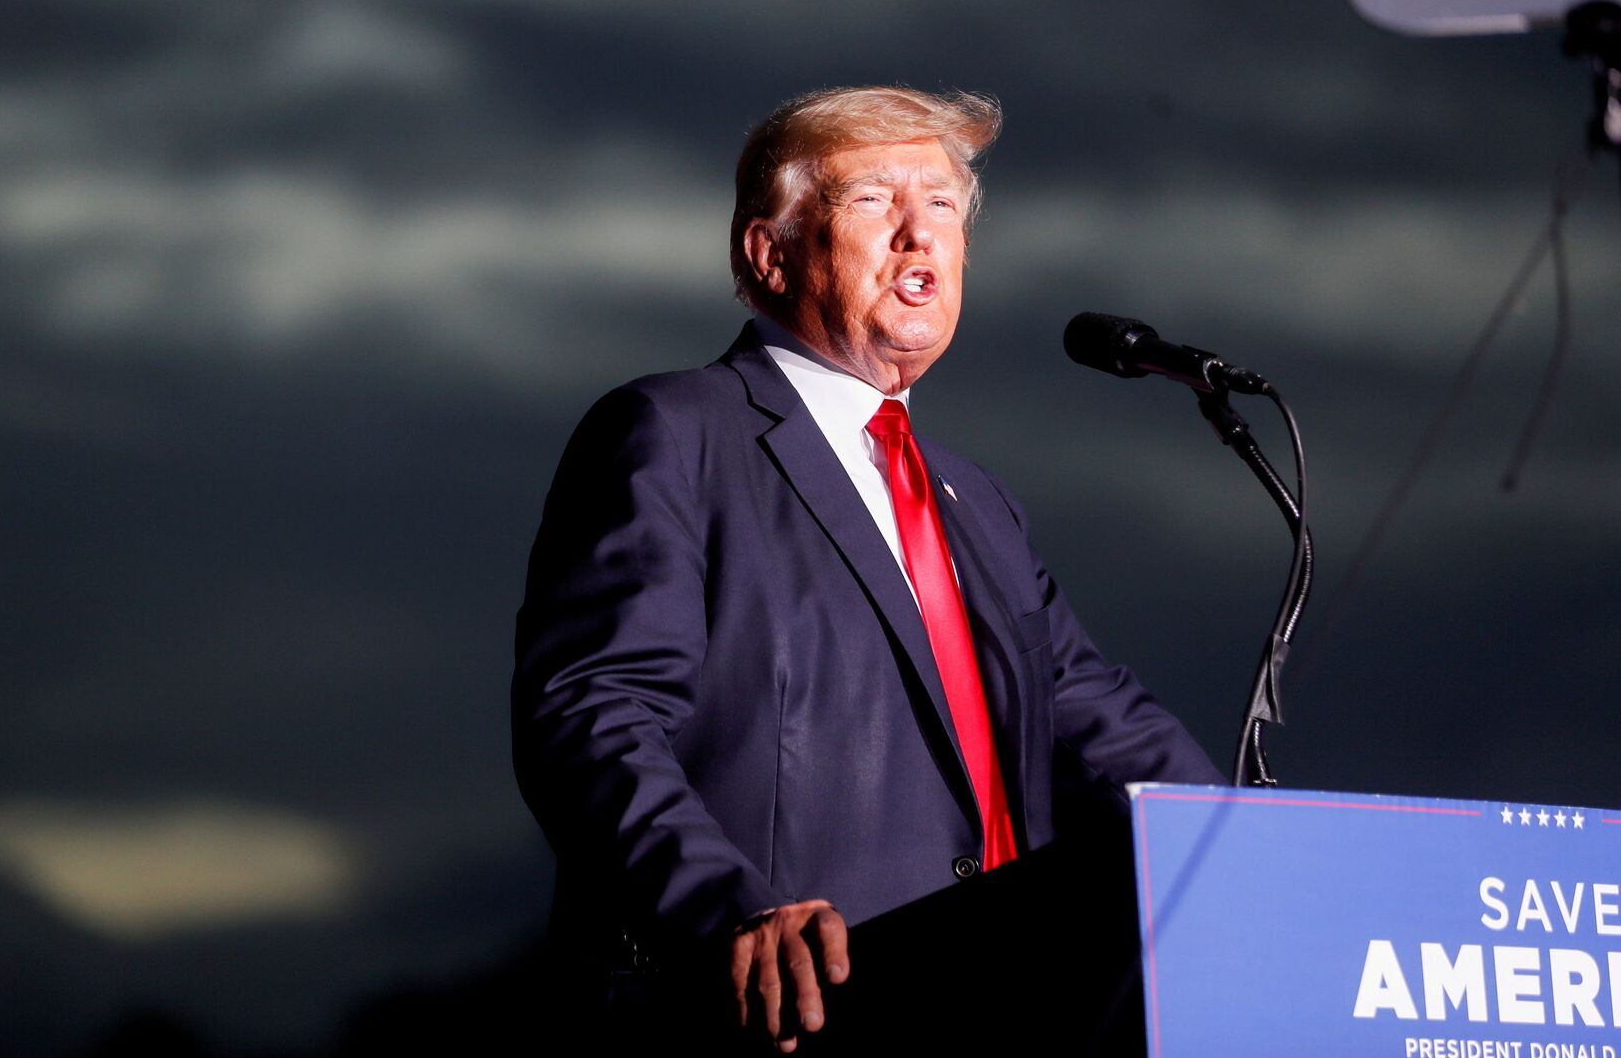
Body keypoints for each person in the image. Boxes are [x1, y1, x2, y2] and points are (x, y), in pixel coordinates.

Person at [512, 86, 1221, 1051]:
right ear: (769, 253)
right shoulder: (673, 434)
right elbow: (592, 713)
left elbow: (1107, 727)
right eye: (873, 202)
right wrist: (729, 909)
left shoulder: (980, 506)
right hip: (787, 1017)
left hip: (1012, 1006)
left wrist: (1267, 864)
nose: (917, 235)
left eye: (941, 206)